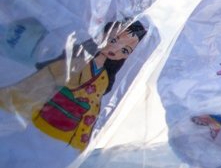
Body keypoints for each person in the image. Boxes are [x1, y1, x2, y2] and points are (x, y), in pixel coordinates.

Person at [0, 20, 147, 150]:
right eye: (113, 40)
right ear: (104, 34)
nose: (115, 50)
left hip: (70, 125)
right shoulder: (79, 60)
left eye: (125, 50)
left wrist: (81, 138)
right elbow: (48, 78)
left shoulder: (105, 76)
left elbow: (93, 107)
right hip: (50, 113)